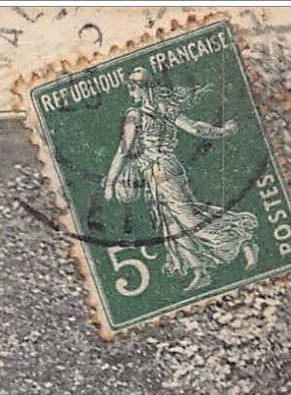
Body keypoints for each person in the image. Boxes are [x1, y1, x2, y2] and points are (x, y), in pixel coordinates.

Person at [101, 68, 260, 292]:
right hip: (164, 169)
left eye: (132, 88)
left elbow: (123, 151)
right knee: (171, 223)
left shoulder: (135, 116)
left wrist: (110, 182)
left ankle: (242, 239)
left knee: (190, 220)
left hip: (160, 172)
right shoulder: (166, 108)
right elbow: (196, 128)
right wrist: (222, 131)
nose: (131, 93)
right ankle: (199, 271)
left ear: (139, 89)